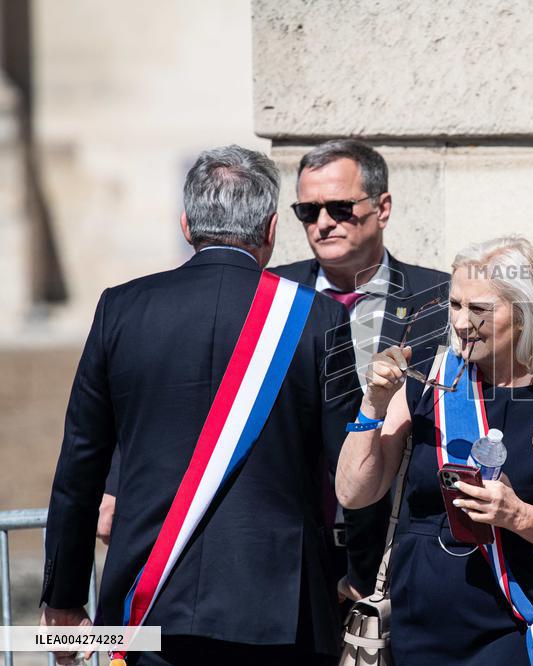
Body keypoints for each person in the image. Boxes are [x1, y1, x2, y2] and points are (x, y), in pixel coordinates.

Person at [40, 145, 360, 666]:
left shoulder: (120, 308)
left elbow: (80, 465)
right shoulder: (317, 318)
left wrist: (64, 598)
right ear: (272, 230)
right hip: (280, 606)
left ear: (186, 224)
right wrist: (361, 575)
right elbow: (348, 466)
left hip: (147, 599)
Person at [336, 236, 533, 665]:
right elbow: (354, 493)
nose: (461, 323)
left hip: (515, 630)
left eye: (479, 309)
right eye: (455, 305)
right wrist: (373, 404)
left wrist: (517, 515)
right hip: (416, 629)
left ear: (523, 314)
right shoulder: (429, 380)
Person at [273, 139, 450, 600]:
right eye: (308, 212)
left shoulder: (440, 299)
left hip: (401, 548)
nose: (324, 223)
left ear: (382, 207)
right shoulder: (267, 293)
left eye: (340, 207)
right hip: (290, 551)